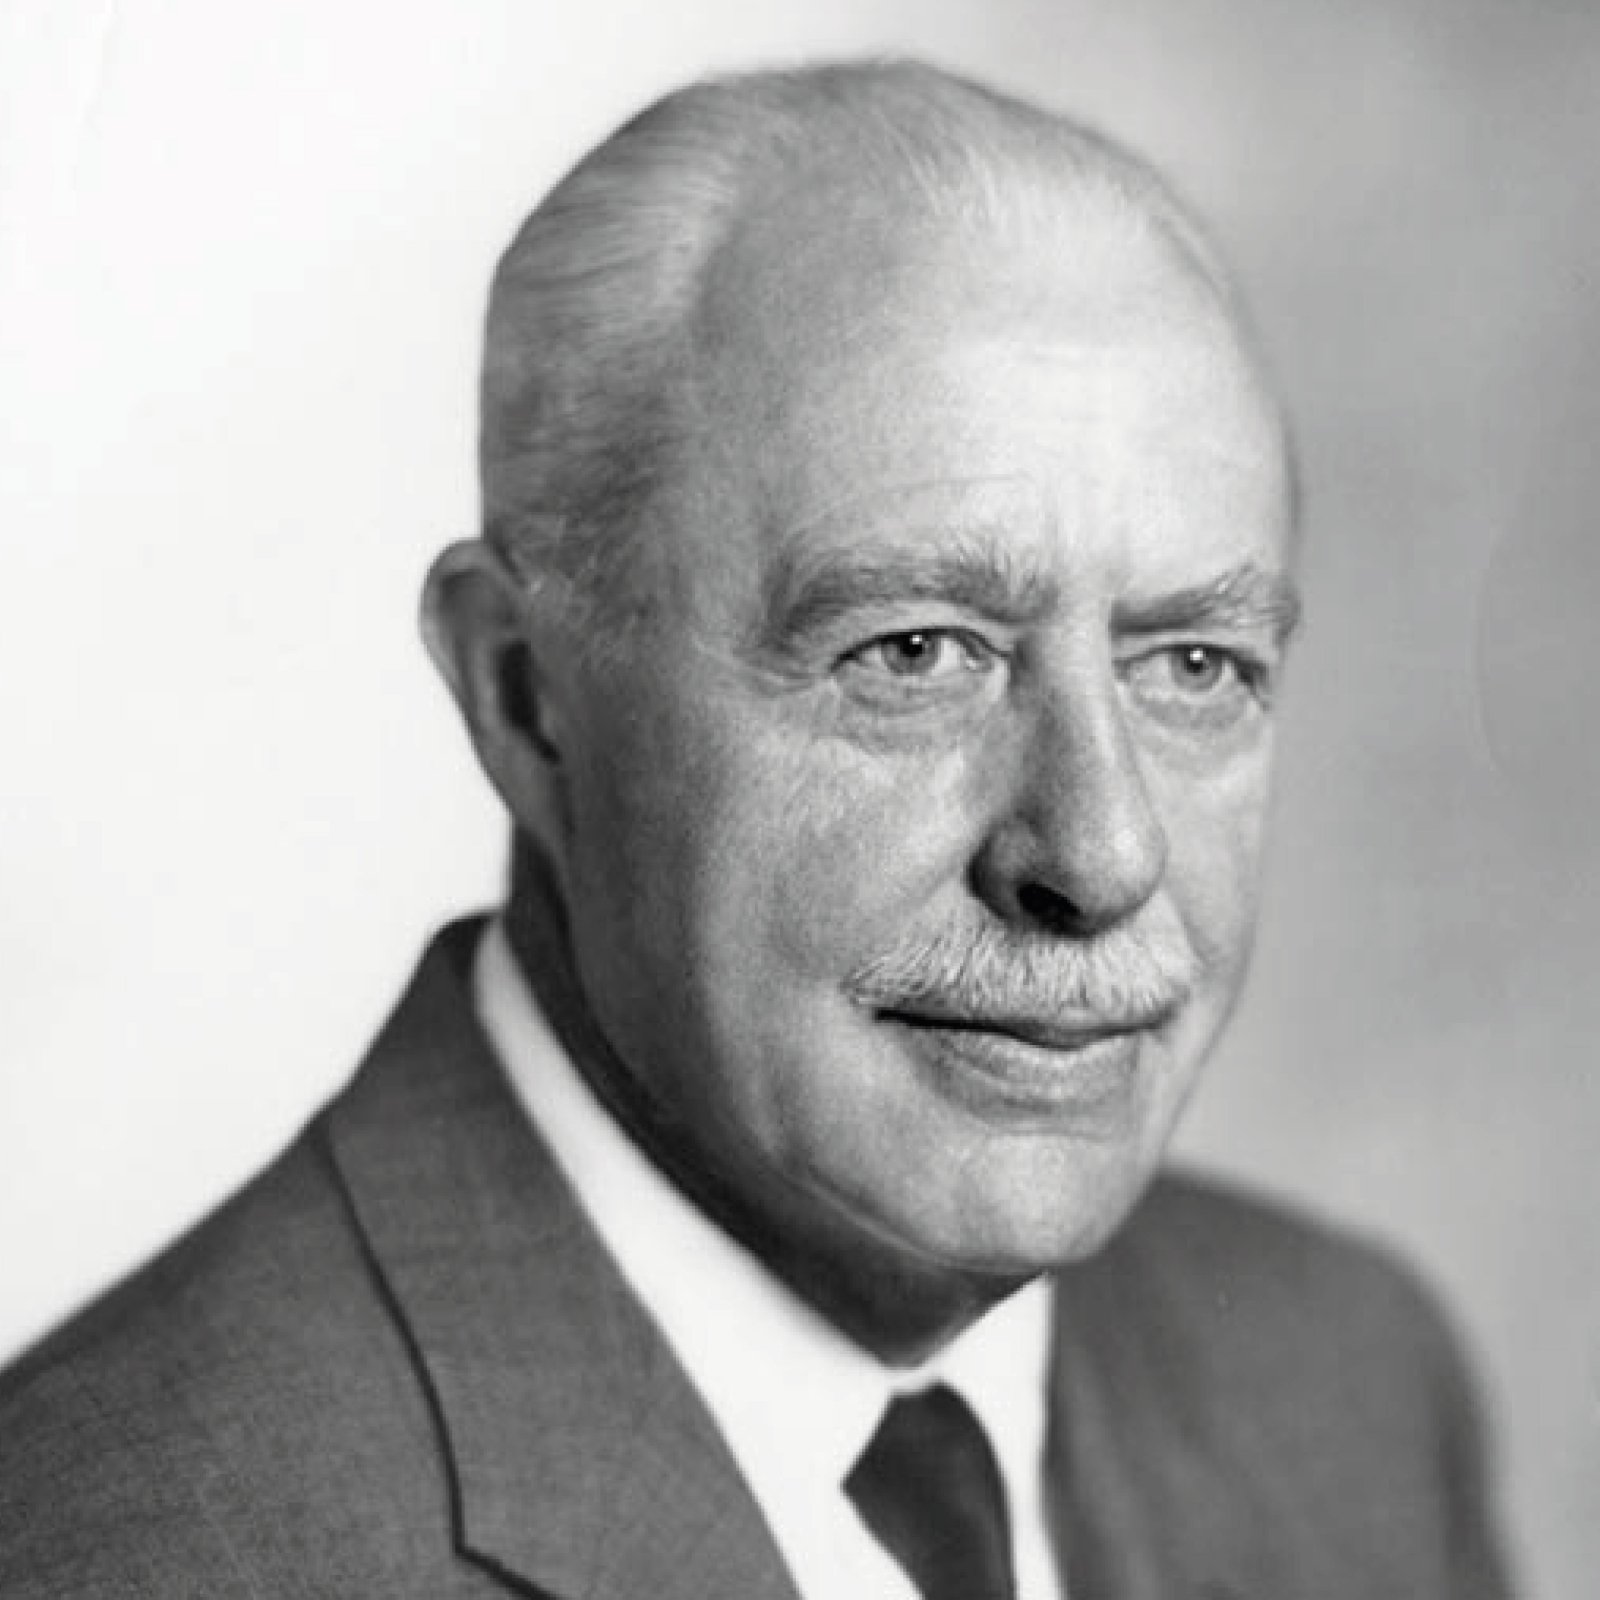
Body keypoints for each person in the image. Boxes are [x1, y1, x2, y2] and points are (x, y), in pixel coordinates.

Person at [0, 59, 1510, 1599]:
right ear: (526, 698)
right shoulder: (120, 1552)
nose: (1102, 855)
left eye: (1194, 667)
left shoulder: (1353, 1392)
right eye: (914, 652)